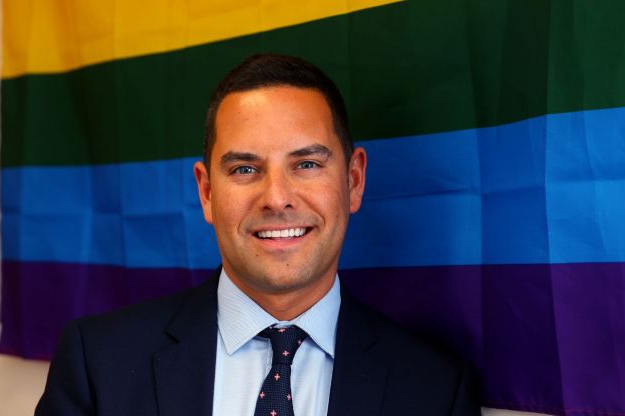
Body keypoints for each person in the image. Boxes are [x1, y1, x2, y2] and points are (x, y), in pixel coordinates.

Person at [35, 53, 480, 416]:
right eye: (245, 168)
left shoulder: (435, 391)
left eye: (306, 164)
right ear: (207, 192)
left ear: (353, 181)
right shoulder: (97, 364)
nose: (277, 198)